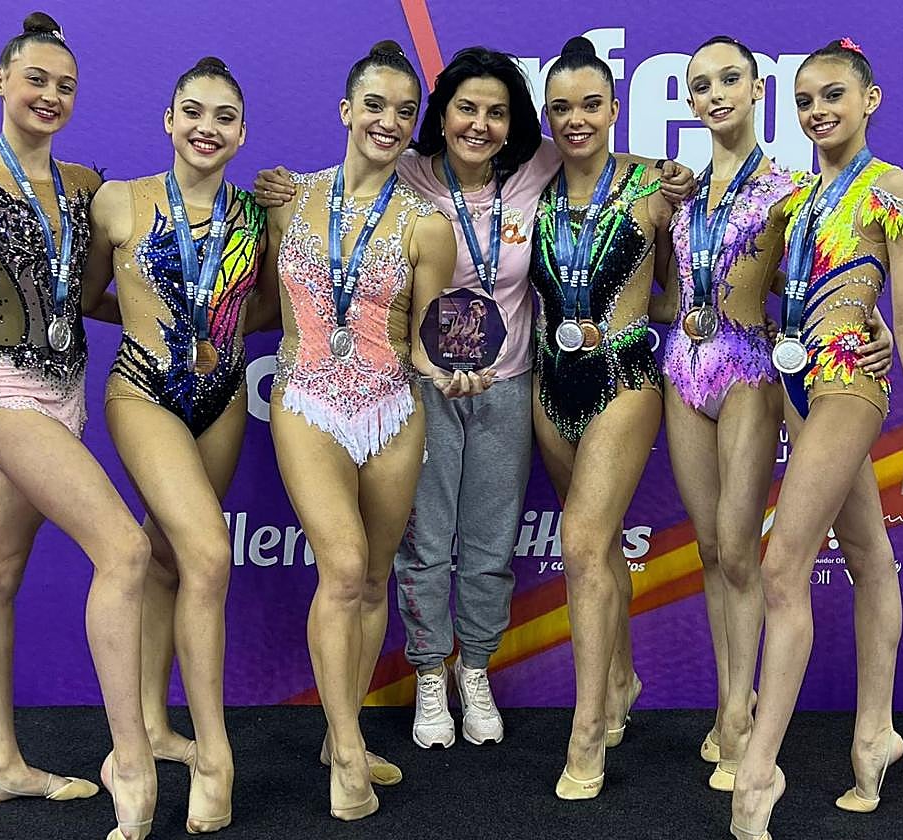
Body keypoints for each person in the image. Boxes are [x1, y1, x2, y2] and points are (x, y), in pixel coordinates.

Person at [253, 46, 693, 751]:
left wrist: (668, 174)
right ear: (441, 115)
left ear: (516, 123)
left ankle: (476, 671)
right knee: (424, 546)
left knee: (489, 543)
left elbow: (605, 156)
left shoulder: (542, 166)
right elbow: (340, 185)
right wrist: (283, 186)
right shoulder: (407, 171)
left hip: (510, 385)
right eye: (466, 109)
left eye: (496, 112)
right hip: (420, 385)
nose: (480, 125)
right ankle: (431, 674)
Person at [0, 12, 155, 840]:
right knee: (125, 549)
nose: (50, 95)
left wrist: (165, 324)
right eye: (36, 79)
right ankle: (133, 761)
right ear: (1, 82)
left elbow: (88, 298)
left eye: (66, 86)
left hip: (70, 392)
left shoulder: (85, 185)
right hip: (2, 387)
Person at [655, 35, 893, 791]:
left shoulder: (791, 191)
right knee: (706, 547)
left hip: (754, 368)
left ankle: (743, 721)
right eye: (701, 85)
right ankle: (734, 699)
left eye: (730, 79)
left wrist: (874, 328)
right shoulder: (679, 192)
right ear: (688, 102)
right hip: (683, 368)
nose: (716, 93)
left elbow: (831, 273)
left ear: (758, 90)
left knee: (738, 546)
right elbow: (666, 290)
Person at [729, 38, 903, 840]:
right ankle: (874, 734)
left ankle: (759, 772)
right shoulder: (797, 198)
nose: (818, 111)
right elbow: (815, 282)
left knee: (782, 563)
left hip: (850, 383)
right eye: (807, 100)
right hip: (794, 387)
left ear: (869, 101)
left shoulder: (894, 187)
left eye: (833, 97)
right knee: (869, 558)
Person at [257, 40, 457, 820]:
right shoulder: (285, 198)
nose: (389, 121)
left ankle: (345, 726)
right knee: (341, 569)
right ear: (345, 110)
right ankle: (345, 749)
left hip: (393, 409)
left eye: (406, 111)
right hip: (305, 397)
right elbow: (257, 296)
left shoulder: (428, 224)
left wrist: (446, 370)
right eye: (375, 104)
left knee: (374, 578)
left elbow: (429, 337)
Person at [83, 56, 267, 835]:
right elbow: (86, 293)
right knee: (207, 554)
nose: (207, 128)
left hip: (222, 398)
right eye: (193, 112)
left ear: (242, 133)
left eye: (224, 117)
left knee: (168, 555)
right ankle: (217, 755)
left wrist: (213, 337)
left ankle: (159, 730)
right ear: (168, 120)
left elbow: (264, 311)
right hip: (143, 393)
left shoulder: (259, 216)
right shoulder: (119, 203)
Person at [531, 35, 672, 800]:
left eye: (590, 105)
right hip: (550, 390)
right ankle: (620, 678)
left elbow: (694, 286)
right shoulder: (535, 190)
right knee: (601, 542)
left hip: (624, 376)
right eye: (561, 108)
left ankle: (586, 731)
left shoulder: (655, 186)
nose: (576, 120)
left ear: (616, 109)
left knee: (581, 544)